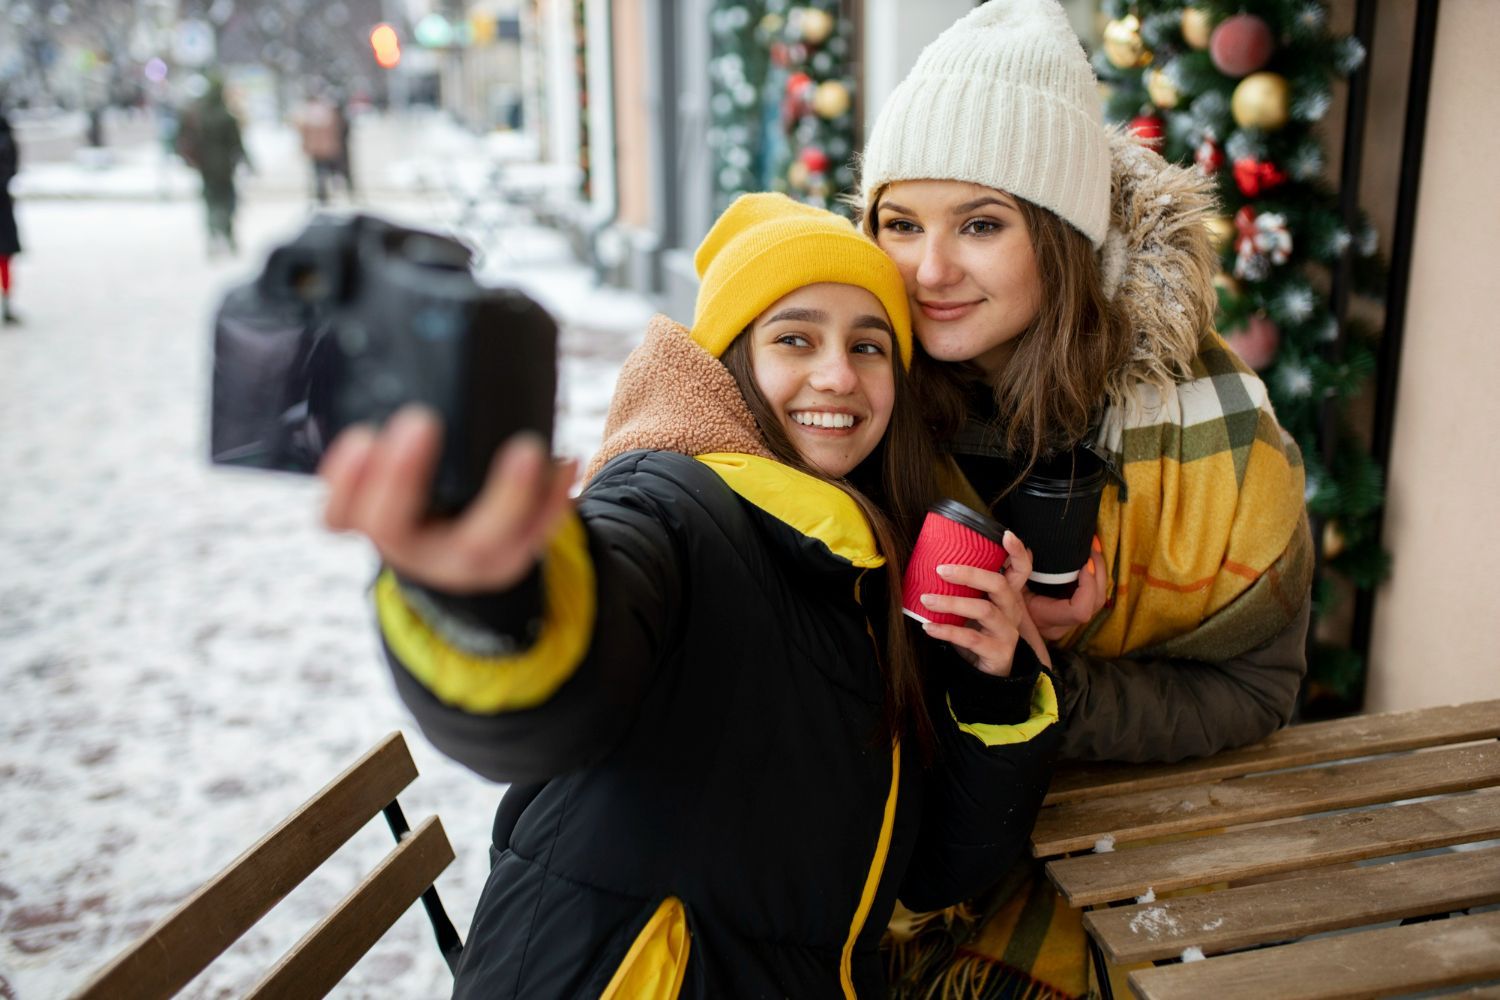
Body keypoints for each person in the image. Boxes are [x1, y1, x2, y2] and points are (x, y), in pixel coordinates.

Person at [319, 194, 1063, 998]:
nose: (839, 374)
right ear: (730, 365)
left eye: (870, 345)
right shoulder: (674, 503)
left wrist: (995, 687)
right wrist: (490, 597)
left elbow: (927, 874)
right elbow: (571, 661)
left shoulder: (859, 566)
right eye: (794, 339)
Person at [855, 1, 1314, 996]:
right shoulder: (846, 395)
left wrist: (1049, 676)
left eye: (980, 223)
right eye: (900, 223)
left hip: (1116, 859)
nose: (928, 271)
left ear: (1061, 238)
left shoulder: (1213, 433)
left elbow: (1258, 688)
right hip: (877, 855)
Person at [176, 78, 249, 256]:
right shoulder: (226, 116)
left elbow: (183, 137)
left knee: (211, 202)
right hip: (224, 167)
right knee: (228, 201)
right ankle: (227, 234)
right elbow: (237, 143)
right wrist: (247, 161)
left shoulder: (198, 115)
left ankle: (214, 235)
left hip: (206, 166)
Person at [0, 110, 20, 324]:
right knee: (4, 257)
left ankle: (7, 304)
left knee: (4, 257)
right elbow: (13, 168)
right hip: (2, 203)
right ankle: (6, 304)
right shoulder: (6, 135)